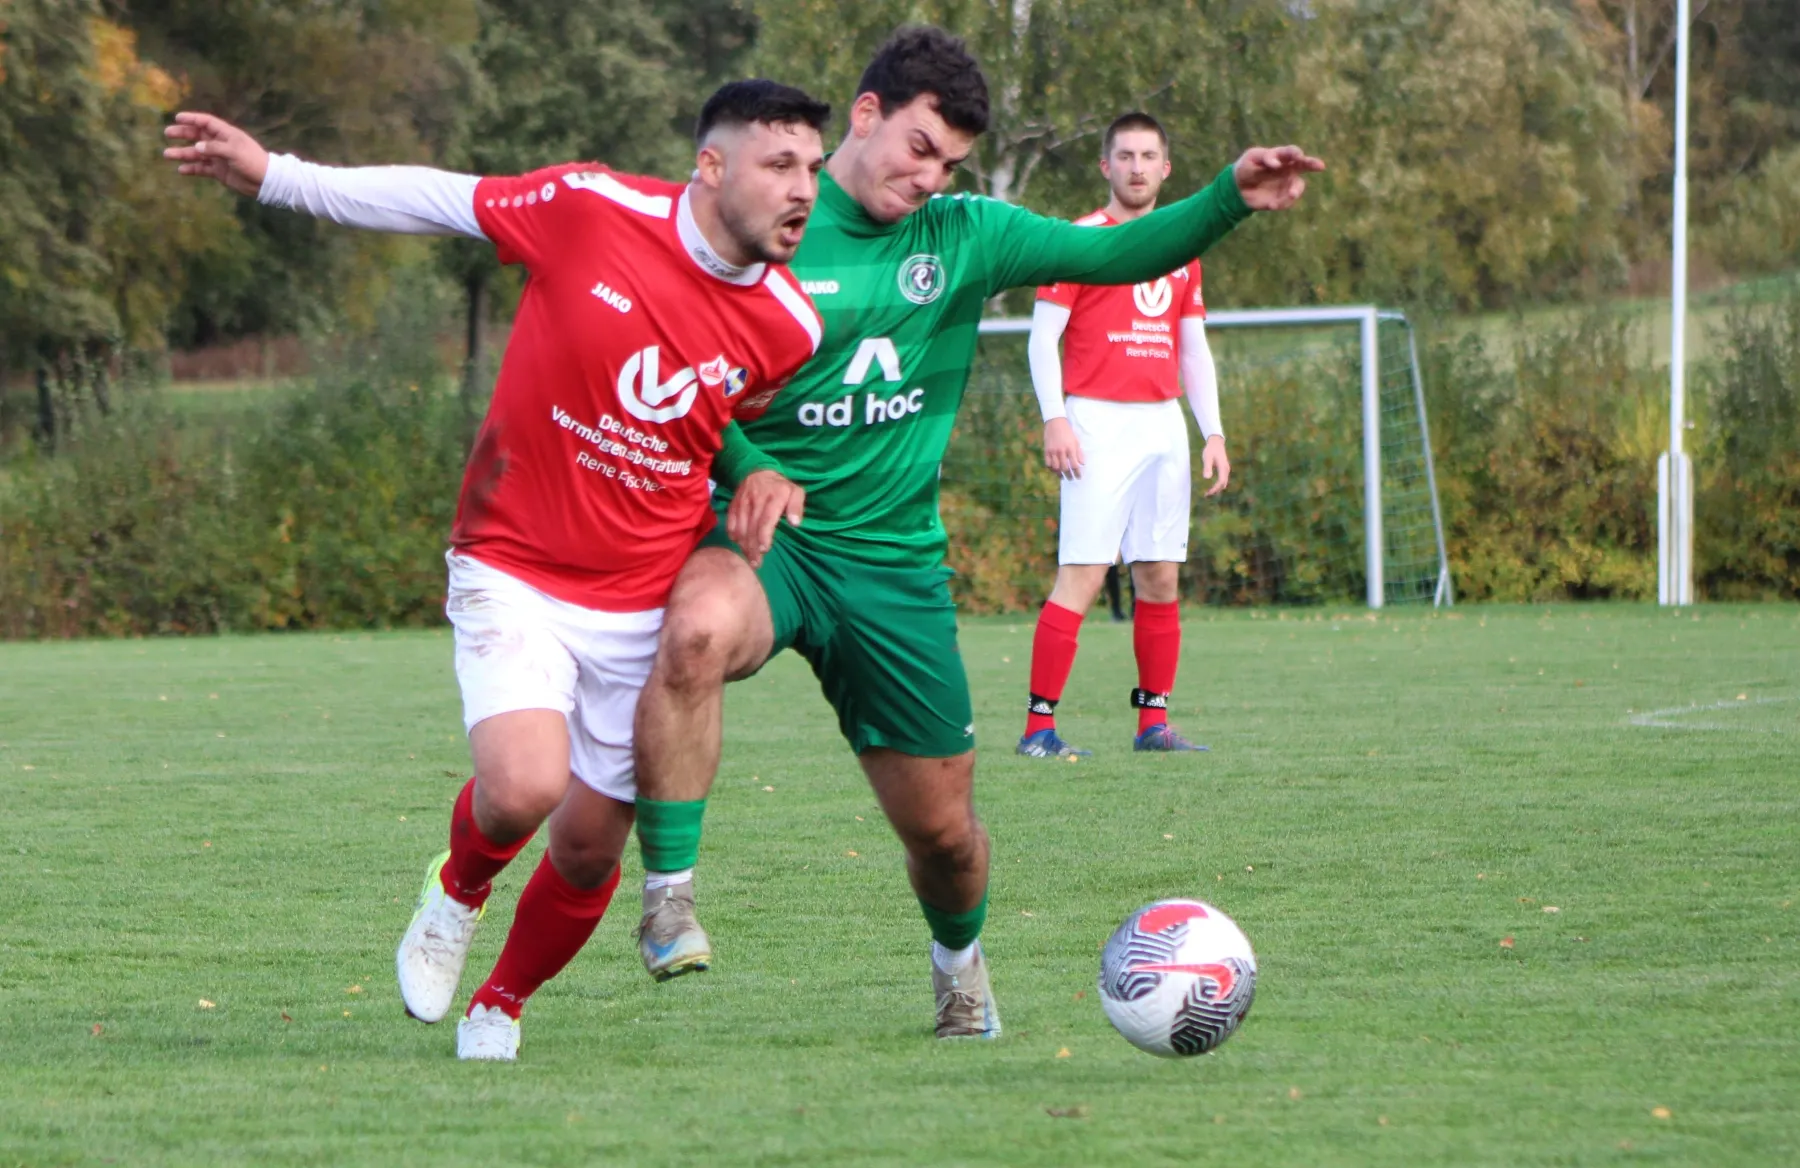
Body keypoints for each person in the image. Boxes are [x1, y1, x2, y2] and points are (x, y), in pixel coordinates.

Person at [627, 26, 1322, 1039]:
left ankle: (959, 966)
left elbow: (1113, 252)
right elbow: (677, 366)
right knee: (692, 630)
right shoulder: (767, 215)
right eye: (918, 148)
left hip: (894, 568)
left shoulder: (963, 234)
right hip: (772, 542)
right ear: (865, 114)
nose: (929, 177)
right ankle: (669, 898)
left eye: (949, 163)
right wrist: (743, 467)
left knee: (947, 837)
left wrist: (1227, 196)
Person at [163, 80, 831, 1060]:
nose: (803, 187)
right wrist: (277, 176)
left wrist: (756, 469)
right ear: (711, 165)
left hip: (642, 598)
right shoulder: (590, 209)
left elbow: (707, 421)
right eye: (780, 164)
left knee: (589, 849)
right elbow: (434, 198)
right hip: (513, 560)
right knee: (522, 787)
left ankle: (501, 1003)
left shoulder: (790, 327)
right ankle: (456, 891)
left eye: (813, 167)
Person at [1019, 111, 1230, 759]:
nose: (1137, 168)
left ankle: (1152, 725)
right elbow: (1042, 339)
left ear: (1166, 168)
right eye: (1125, 156)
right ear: (1106, 166)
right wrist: (1056, 417)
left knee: (1160, 576)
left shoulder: (1181, 249)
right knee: (1082, 576)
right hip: (1096, 422)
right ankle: (1037, 730)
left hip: (1162, 423)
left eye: (1148, 157)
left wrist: (1213, 432)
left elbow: (1192, 347)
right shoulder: (1079, 240)